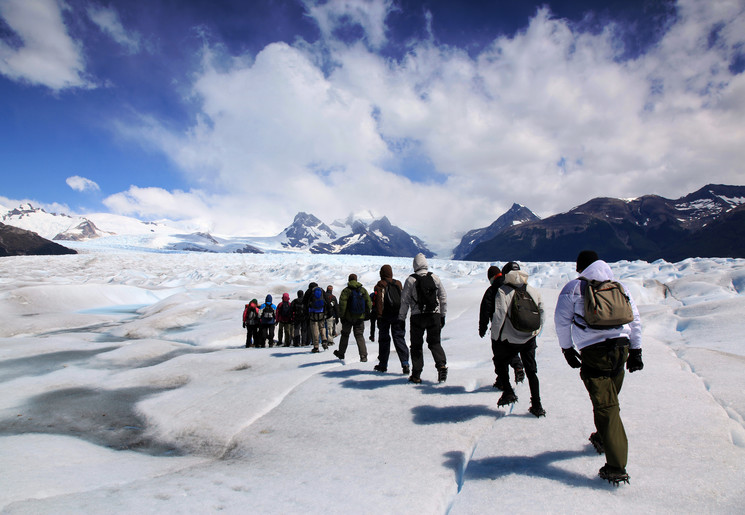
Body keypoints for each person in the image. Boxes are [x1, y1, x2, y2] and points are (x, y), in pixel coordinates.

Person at [554, 250, 643, 485]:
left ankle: (616, 466)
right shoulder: (619, 286)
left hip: (594, 353)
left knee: (607, 406)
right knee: (608, 399)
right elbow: (634, 320)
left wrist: (567, 349)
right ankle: (603, 436)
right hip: (621, 349)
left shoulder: (574, 288)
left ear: (580, 267)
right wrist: (636, 351)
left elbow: (561, 320)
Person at [490, 262, 545, 418]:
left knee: (500, 362)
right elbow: (542, 311)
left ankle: (508, 391)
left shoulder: (503, 291)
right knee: (532, 371)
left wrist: (495, 337)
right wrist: (536, 331)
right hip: (529, 337)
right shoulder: (532, 290)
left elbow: (499, 315)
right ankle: (537, 404)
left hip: (510, 338)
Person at [398, 253, 448, 383]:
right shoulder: (435, 278)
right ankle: (441, 365)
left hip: (417, 317)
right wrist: (442, 315)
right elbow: (443, 297)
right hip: (434, 315)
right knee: (435, 342)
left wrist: (401, 319)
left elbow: (404, 301)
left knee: (416, 346)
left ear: (415, 265)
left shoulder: (411, 280)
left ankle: (416, 375)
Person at [479, 265, 525, 389]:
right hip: (513, 325)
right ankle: (518, 366)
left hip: (498, 328)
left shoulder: (491, 290)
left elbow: (485, 310)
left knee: (499, 356)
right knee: (512, 349)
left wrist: (482, 328)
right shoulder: (510, 286)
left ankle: (502, 381)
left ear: (492, 278)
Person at [373, 264, 410, 374]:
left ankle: (383, 364)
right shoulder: (398, 283)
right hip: (398, 315)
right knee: (399, 338)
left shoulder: (380, 285)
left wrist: (379, 316)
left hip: (385, 316)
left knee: (384, 340)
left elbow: (379, 300)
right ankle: (405, 363)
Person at [333, 273, 372, 362]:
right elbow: (369, 303)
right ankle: (363, 356)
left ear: (349, 280)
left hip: (348, 318)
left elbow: (342, 305)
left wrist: (342, 317)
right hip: (360, 318)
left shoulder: (346, 291)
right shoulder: (362, 290)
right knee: (359, 336)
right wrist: (365, 313)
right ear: (356, 279)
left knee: (345, 335)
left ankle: (341, 353)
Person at [307, 282, 330, 353]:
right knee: (322, 327)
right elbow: (327, 301)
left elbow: (305, 303)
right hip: (321, 312)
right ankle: (324, 340)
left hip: (312, 313)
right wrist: (328, 311)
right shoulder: (322, 290)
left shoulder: (309, 291)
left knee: (315, 329)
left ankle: (316, 346)